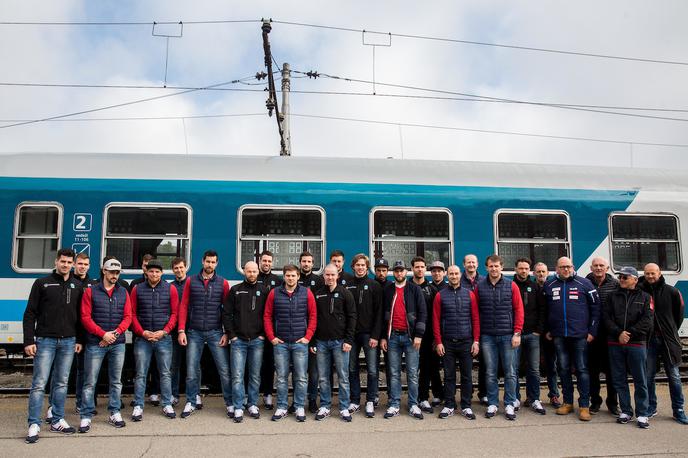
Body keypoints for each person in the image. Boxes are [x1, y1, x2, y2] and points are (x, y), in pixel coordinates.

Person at [23, 249, 82, 443]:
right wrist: (29, 340)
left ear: (73, 264)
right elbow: (30, 313)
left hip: (68, 341)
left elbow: (80, 317)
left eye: (69, 262)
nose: (65, 265)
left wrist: (79, 339)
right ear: (56, 261)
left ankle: (57, 420)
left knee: (62, 383)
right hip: (45, 340)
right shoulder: (42, 283)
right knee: (39, 384)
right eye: (62, 261)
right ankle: (34, 423)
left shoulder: (77, 285)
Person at [177, 250, 233, 419]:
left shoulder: (223, 283)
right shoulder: (190, 281)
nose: (210, 265)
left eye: (213, 262)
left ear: (217, 264)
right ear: (202, 261)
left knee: (224, 370)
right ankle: (191, 401)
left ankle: (230, 403)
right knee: (192, 370)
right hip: (194, 332)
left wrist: (226, 333)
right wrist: (181, 330)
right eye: (208, 261)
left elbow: (227, 310)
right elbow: (184, 306)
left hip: (216, 331)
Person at [79, 258, 132, 433]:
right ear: (104, 271)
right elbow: (86, 318)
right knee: (90, 382)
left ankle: (114, 412)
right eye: (111, 272)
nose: (114, 275)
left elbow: (128, 317)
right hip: (95, 343)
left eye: (117, 273)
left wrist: (114, 334)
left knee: (116, 381)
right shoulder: (90, 292)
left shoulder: (123, 292)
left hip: (117, 343)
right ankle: (86, 416)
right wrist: (103, 334)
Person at [543, 256, 600, 421]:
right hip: (559, 336)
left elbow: (596, 309)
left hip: (580, 336)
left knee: (582, 370)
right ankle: (567, 402)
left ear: (573, 267)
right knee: (563, 369)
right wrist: (548, 329)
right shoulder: (549, 285)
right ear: (557, 268)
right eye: (562, 267)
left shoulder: (585, 284)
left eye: (568, 266)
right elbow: (545, 310)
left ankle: (584, 406)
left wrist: (592, 331)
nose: (566, 269)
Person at [263, 264, 317, 422]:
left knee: (300, 377)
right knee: (281, 377)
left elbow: (313, 316)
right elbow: (267, 316)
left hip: (300, 342)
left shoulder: (307, 293)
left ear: (298, 277)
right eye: (288, 275)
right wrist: (271, 337)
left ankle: (299, 406)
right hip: (280, 343)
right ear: (284, 277)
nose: (290, 278)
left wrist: (308, 337)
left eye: (293, 275)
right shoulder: (274, 293)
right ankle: (281, 407)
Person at [603, 266, 653, 428]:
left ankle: (643, 414)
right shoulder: (612, 297)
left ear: (635, 279)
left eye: (625, 277)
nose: (621, 280)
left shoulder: (645, 297)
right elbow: (606, 317)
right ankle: (626, 411)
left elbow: (647, 320)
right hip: (615, 343)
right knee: (619, 379)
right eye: (620, 277)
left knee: (640, 379)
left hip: (636, 343)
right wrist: (618, 333)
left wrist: (629, 333)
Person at [476, 255, 524, 420]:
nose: (494, 269)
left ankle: (510, 403)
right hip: (487, 336)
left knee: (510, 372)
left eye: (496, 266)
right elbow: (476, 312)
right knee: (490, 372)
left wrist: (517, 332)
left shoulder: (512, 285)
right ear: (486, 268)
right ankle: (493, 403)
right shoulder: (479, 286)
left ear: (501, 267)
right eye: (491, 266)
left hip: (508, 336)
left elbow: (519, 310)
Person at [130, 259, 179, 421]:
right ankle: (138, 405)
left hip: (163, 338)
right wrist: (142, 332)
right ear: (146, 272)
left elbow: (174, 314)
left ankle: (166, 404)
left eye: (157, 271)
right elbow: (132, 314)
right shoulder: (137, 289)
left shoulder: (170, 289)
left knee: (165, 373)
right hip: (142, 339)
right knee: (141, 374)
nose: (154, 274)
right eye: (151, 271)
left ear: (162, 273)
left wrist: (164, 331)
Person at [640, 263, 688, 424]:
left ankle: (678, 410)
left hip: (668, 341)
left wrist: (670, 331)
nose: (650, 276)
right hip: (649, 341)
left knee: (674, 376)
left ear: (659, 273)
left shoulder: (672, 291)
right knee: (648, 376)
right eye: (647, 274)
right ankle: (651, 407)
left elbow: (678, 316)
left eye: (653, 273)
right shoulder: (641, 292)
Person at [380, 261, 427, 420]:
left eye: (402, 271)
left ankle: (413, 404)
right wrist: (383, 337)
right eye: (396, 271)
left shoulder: (414, 289)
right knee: (393, 373)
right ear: (393, 273)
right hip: (392, 336)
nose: (399, 274)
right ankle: (394, 404)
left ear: (406, 272)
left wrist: (419, 335)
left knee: (413, 373)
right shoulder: (388, 290)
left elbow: (422, 312)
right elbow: (382, 315)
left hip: (410, 337)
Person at [432, 265, 480, 420]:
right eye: (451, 273)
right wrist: (438, 342)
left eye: (456, 273)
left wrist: (476, 341)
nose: (453, 276)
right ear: (447, 275)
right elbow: (436, 320)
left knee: (467, 376)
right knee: (449, 375)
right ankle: (449, 405)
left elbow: (475, 319)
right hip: (448, 343)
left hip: (466, 342)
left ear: (460, 275)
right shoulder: (440, 295)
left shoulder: (470, 294)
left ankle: (466, 406)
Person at [223, 261, 268, 422]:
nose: (252, 274)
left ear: (258, 272)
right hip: (238, 341)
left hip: (257, 340)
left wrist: (263, 334)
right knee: (237, 376)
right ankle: (238, 407)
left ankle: (252, 404)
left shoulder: (264, 291)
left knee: (255, 376)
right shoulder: (235, 290)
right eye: (249, 271)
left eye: (254, 271)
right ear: (244, 272)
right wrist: (232, 335)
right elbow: (226, 314)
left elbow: (268, 315)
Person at [313, 264, 357, 421]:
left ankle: (344, 407)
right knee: (323, 377)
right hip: (321, 342)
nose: (330, 278)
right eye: (327, 275)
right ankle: (325, 406)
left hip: (340, 342)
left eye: (332, 275)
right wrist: (313, 342)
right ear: (323, 276)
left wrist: (348, 340)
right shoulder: (317, 294)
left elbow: (352, 318)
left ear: (338, 275)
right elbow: (313, 319)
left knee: (343, 376)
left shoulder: (346, 294)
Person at [346, 254, 383, 417]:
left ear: (367, 268)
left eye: (363, 265)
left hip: (369, 335)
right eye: (357, 265)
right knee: (352, 369)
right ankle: (354, 400)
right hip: (352, 335)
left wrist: (375, 335)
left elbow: (379, 313)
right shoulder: (347, 285)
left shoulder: (374, 285)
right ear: (353, 266)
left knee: (373, 370)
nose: (360, 268)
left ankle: (370, 400)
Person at [585, 257, 620, 415]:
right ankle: (595, 402)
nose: (598, 268)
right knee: (592, 371)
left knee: (612, 371)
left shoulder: (615, 285)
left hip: (610, 335)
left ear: (607, 268)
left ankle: (613, 403)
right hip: (591, 335)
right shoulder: (585, 283)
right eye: (596, 266)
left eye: (601, 266)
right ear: (591, 268)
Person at [512, 258, 547, 415]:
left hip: (532, 335)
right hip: (515, 335)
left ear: (529, 270)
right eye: (521, 268)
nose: (523, 271)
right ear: (516, 269)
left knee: (533, 369)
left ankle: (534, 399)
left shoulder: (535, 287)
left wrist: (538, 330)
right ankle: (515, 398)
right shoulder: (510, 286)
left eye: (526, 268)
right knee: (514, 369)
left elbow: (542, 310)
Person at [411, 257, 442, 413]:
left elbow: (437, 316)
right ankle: (413, 399)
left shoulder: (432, 289)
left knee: (426, 367)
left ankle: (423, 397)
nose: (420, 269)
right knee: (411, 369)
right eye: (417, 267)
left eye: (422, 267)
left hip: (428, 336)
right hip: (409, 335)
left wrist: (437, 338)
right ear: (412, 269)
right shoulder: (407, 287)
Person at [298, 251, 324, 413]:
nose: (306, 264)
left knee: (313, 372)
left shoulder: (319, 281)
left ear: (313, 264)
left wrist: (314, 337)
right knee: (299, 372)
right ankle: (297, 401)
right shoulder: (294, 278)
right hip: (297, 331)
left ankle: (312, 400)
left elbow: (319, 311)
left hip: (314, 331)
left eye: (309, 261)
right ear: (300, 263)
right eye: (304, 261)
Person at [256, 250, 281, 410]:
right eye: (264, 261)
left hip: (271, 329)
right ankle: (250, 395)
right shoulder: (253, 276)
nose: (266, 263)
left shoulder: (277, 281)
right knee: (252, 364)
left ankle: (267, 394)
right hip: (255, 329)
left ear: (272, 263)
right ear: (259, 261)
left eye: (269, 261)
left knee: (269, 364)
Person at [534, 262, 561, 408]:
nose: (541, 274)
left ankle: (554, 395)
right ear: (534, 273)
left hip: (549, 333)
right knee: (533, 367)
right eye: (538, 272)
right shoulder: (531, 288)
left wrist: (552, 330)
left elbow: (555, 311)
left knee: (552, 365)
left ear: (548, 273)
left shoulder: (553, 288)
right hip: (534, 332)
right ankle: (533, 396)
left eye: (543, 271)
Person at [461, 254, 487, 405]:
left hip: (483, 327)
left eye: (473, 262)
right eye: (468, 262)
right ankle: (467, 392)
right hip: (465, 328)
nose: (471, 265)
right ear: (464, 265)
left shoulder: (484, 281)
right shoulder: (459, 280)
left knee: (484, 363)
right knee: (466, 365)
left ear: (477, 265)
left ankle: (483, 393)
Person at [170, 257, 190, 408]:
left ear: (186, 267)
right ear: (173, 270)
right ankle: (173, 395)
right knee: (174, 364)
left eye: (181, 267)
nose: (179, 270)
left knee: (193, 365)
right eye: (176, 268)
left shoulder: (192, 284)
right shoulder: (169, 287)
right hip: (174, 331)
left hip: (191, 330)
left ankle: (194, 395)